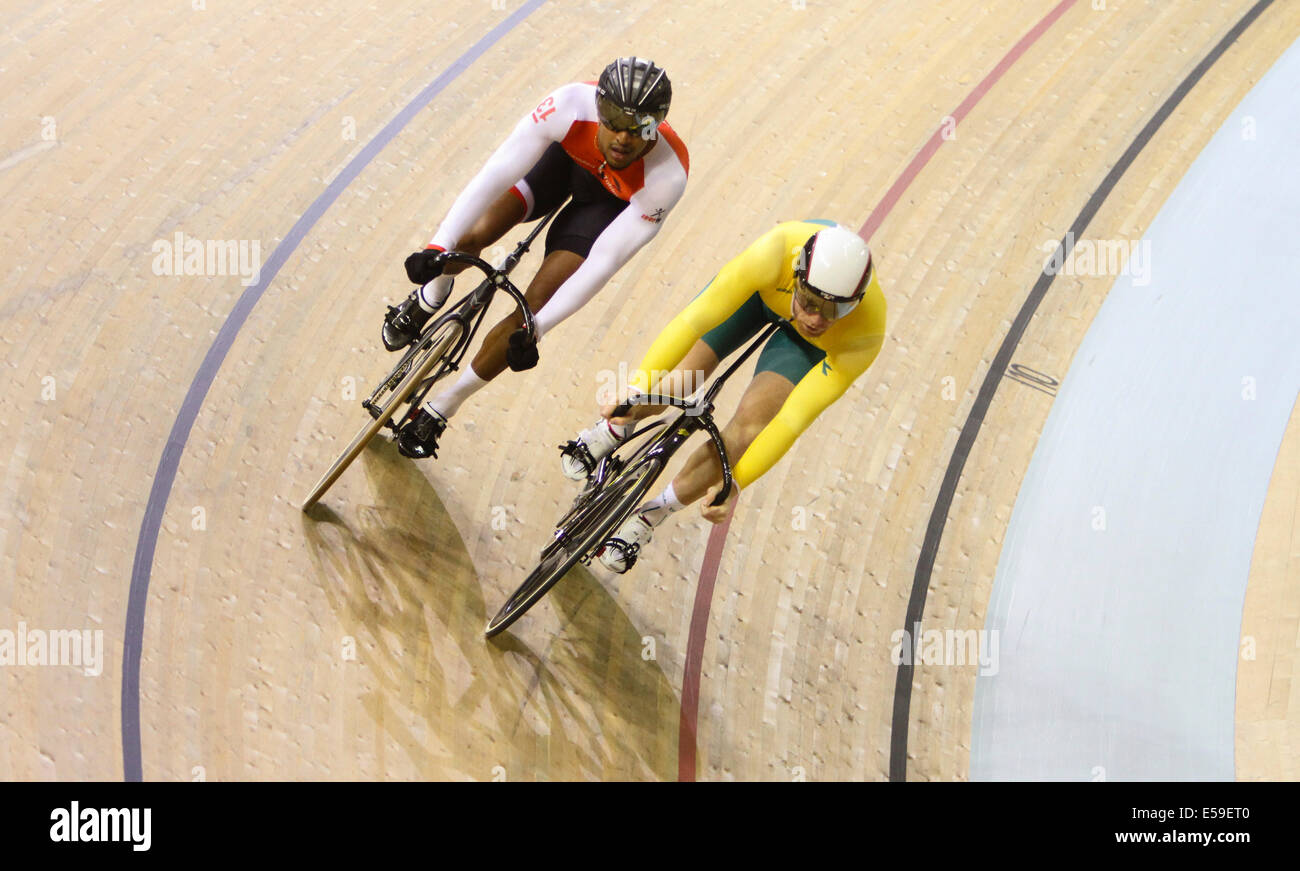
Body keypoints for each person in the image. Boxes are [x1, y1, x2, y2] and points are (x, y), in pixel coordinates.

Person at [382, 56, 689, 459]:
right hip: (561, 167)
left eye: (641, 126)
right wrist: (439, 246)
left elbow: (604, 261)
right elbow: (496, 173)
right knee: (476, 234)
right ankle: (428, 300)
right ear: (598, 106)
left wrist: (538, 328)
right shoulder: (568, 106)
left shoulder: (667, 175)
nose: (623, 136)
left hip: (603, 210)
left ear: (659, 122)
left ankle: (443, 407)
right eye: (613, 118)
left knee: (529, 313)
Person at [561, 221, 886, 572]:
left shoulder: (865, 333)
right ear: (797, 275)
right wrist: (637, 387)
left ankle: (652, 514)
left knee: (748, 429)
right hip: (760, 297)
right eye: (808, 302)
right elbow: (693, 321)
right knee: (684, 379)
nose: (816, 318)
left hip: (806, 349)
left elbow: (793, 420)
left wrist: (737, 483)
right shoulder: (773, 252)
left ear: (856, 303)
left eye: (834, 310)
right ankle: (615, 429)